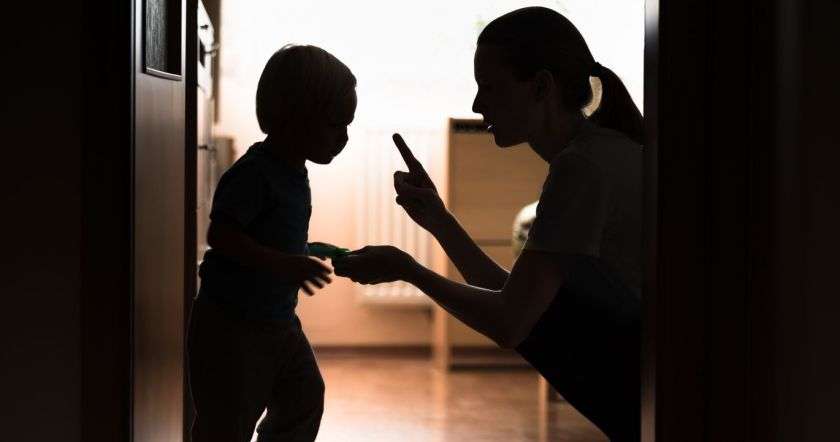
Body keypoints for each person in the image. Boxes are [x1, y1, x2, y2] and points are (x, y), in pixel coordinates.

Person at [334, 7, 642, 441]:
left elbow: (508, 323)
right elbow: (512, 299)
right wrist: (439, 220)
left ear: (541, 87)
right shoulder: (597, 151)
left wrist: (409, 270)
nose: (478, 104)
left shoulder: (582, 168)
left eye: (490, 87)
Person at [187, 44, 357, 442]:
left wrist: (309, 251)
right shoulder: (254, 174)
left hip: (278, 322)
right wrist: (285, 264)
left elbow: (270, 236)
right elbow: (222, 236)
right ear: (295, 118)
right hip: (232, 327)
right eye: (336, 124)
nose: (345, 137)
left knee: (304, 396)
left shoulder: (293, 172)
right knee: (226, 424)